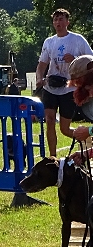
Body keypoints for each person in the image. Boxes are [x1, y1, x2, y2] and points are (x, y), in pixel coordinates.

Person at [35, 8, 93, 157]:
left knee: (65, 129)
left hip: (69, 88)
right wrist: (39, 79)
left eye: (61, 19)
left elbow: (90, 61)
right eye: (55, 19)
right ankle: (52, 157)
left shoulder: (78, 39)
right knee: (49, 120)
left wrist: (74, 59)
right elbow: (41, 65)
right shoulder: (49, 41)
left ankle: (87, 139)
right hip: (51, 86)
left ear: (68, 22)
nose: (58, 22)